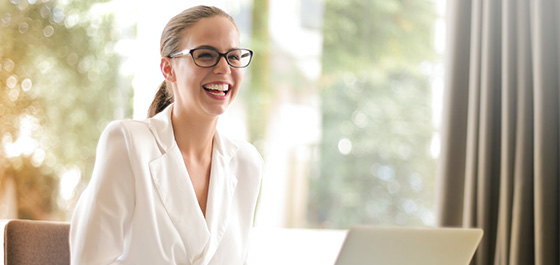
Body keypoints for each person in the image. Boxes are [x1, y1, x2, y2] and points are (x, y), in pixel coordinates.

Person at [69, 5, 264, 265]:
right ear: (168, 68)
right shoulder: (127, 144)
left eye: (234, 56)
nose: (223, 68)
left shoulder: (247, 163)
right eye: (206, 55)